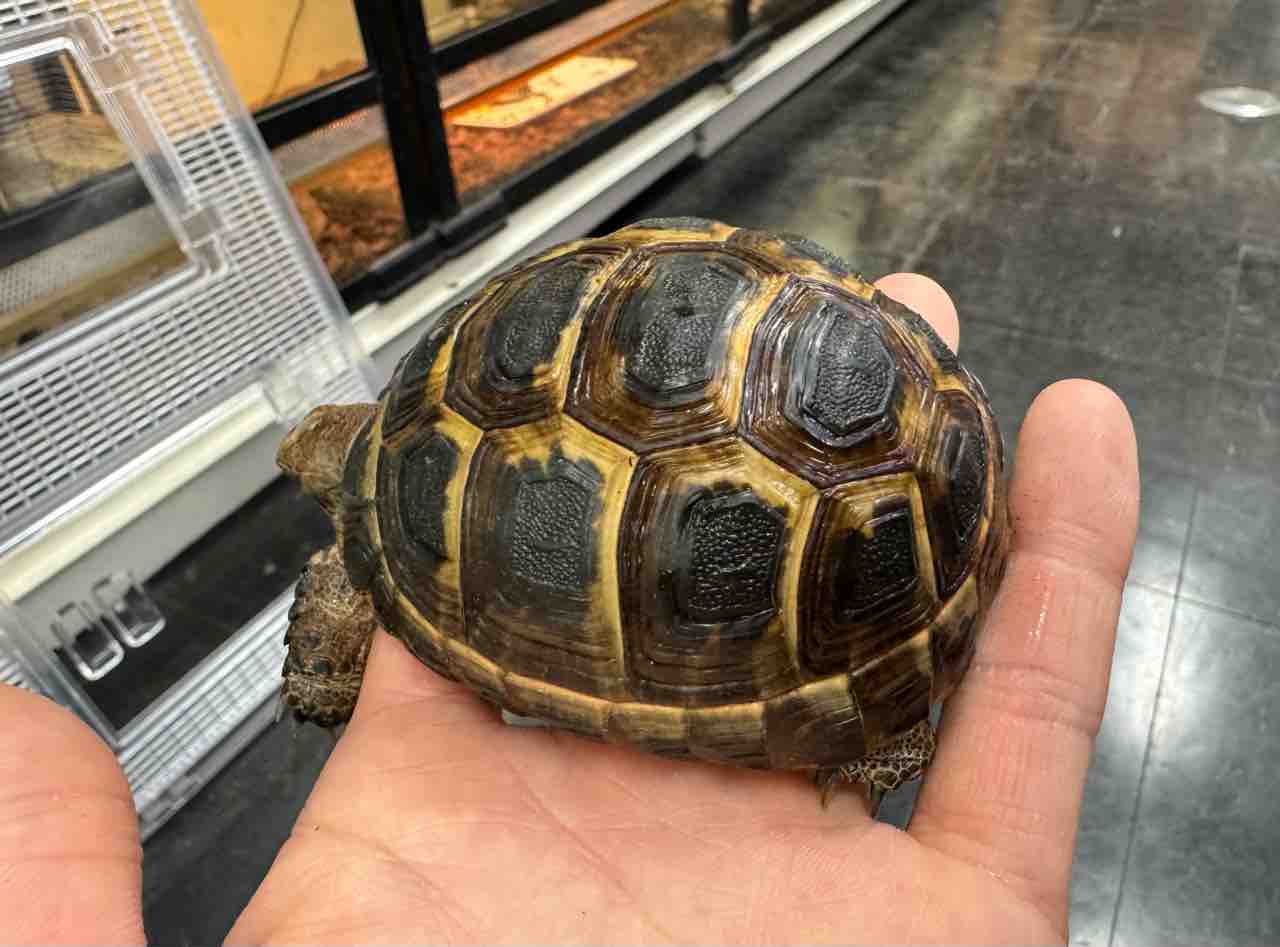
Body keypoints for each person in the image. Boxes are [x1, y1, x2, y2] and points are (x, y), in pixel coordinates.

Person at [0, 274, 1139, 945]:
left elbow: (344, 598)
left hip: (837, 566)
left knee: (719, 553)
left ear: (332, 476)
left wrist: (322, 676)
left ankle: (873, 719)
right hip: (896, 392)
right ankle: (869, 702)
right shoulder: (464, 340)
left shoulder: (375, 547)